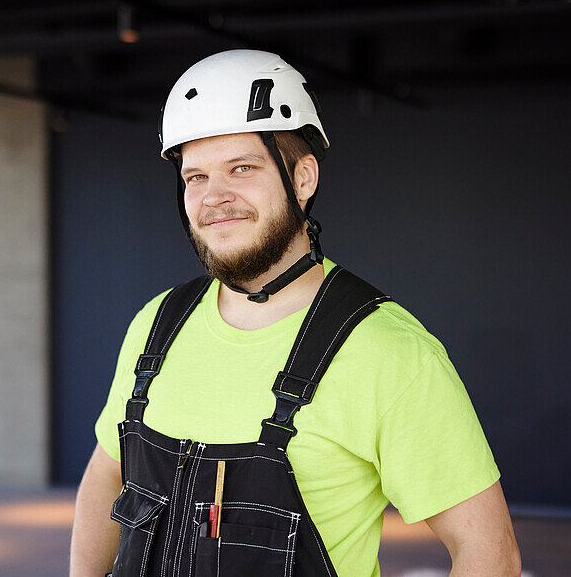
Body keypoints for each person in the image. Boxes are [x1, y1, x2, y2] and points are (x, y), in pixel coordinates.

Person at [70, 49, 520, 576]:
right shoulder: (157, 325)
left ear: (303, 179)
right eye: (196, 177)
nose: (216, 196)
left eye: (242, 167)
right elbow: (108, 471)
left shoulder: (387, 351)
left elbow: (488, 551)